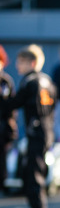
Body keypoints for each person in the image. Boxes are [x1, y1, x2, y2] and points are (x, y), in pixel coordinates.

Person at [0, 44, 56, 208]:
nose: (17, 65)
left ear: (31, 62)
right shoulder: (47, 80)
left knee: (34, 181)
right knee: (31, 178)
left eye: (20, 61)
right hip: (45, 133)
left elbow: (12, 104)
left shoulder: (30, 81)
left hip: (37, 136)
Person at [0, 44, 16, 194]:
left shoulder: (5, 81)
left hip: (3, 127)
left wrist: (11, 131)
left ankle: (3, 183)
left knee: (3, 158)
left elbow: (12, 108)